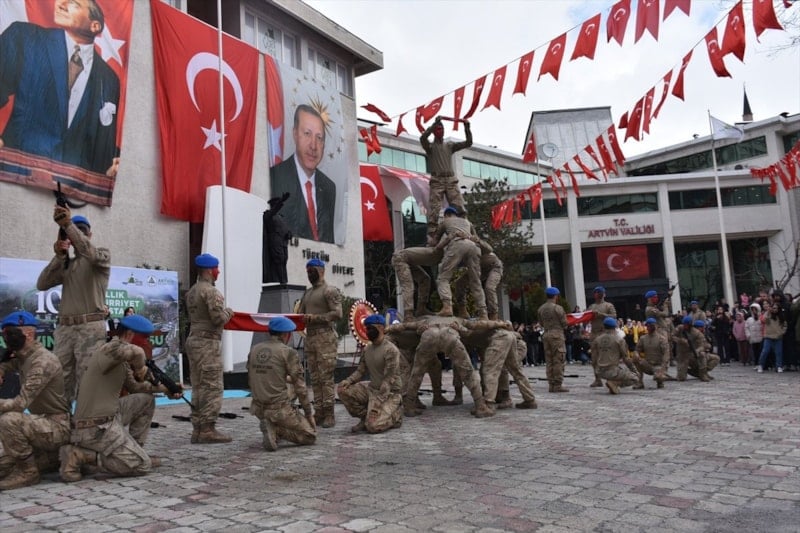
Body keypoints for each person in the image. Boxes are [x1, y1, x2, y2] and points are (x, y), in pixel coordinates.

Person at [0, 0, 120, 176]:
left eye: (74, 3)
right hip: (15, 171)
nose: (61, 4)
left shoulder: (109, 79)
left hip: (70, 185)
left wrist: (111, 168)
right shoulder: (25, 37)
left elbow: (102, 144)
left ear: (94, 26)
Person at [59, 314, 157, 482]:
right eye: (144, 339)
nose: (147, 343)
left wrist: (166, 389)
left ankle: (133, 450)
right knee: (142, 465)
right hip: (94, 426)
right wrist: (141, 368)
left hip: (109, 417)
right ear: (129, 334)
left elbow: (135, 387)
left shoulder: (120, 359)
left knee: (146, 400)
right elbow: (138, 352)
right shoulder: (111, 349)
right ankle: (81, 456)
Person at [37, 209, 110, 404]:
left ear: (90, 234)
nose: (79, 234)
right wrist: (59, 256)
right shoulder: (67, 264)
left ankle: (85, 422)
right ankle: (60, 420)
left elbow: (88, 251)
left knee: (88, 381)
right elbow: (42, 284)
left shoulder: (101, 256)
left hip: (89, 327)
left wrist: (68, 225)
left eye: (82, 230)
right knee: (59, 380)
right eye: (76, 230)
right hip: (65, 329)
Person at [0, 311, 71, 490]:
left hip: (56, 427)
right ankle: (49, 459)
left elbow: (20, 404)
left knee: (9, 420)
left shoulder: (43, 361)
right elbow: (9, 364)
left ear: (29, 334)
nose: (6, 338)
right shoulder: (24, 357)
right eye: (4, 334)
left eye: (9, 334)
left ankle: (28, 472)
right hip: (40, 427)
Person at [247, 316, 316, 451]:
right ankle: (276, 429)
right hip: (278, 409)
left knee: (290, 382)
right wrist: (308, 414)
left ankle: (272, 426)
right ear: (286, 335)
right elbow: (300, 387)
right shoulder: (288, 352)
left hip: (258, 407)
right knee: (309, 436)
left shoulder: (255, 349)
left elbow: (253, 377)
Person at [185, 253, 234, 443]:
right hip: (207, 343)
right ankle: (207, 429)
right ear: (210, 270)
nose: (218, 272)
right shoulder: (211, 292)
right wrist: (228, 312)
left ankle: (197, 428)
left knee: (198, 386)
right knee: (212, 386)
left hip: (193, 340)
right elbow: (217, 318)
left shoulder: (192, 292)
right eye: (216, 269)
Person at [269, 104, 335, 243]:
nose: (313, 145)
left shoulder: (329, 188)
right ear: (295, 134)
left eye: (319, 138)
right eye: (307, 134)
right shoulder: (275, 177)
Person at [338, 314, 403, 434]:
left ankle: (395, 417)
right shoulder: (367, 349)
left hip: (389, 393)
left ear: (381, 328)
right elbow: (360, 371)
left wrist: (376, 406)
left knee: (372, 427)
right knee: (343, 390)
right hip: (373, 390)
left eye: (371, 328)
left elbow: (388, 380)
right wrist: (348, 381)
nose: (368, 331)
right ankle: (365, 418)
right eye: (367, 328)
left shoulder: (391, 350)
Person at [298, 258, 342, 427]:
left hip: (325, 338)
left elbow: (337, 313)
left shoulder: (329, 291)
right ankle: (319, 412)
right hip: (310, 338)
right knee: (315, 378)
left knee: (326, 378)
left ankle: (329, 413)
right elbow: (300, 314)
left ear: (322, 271)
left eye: (313, 271)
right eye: (308, 272)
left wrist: (316, 318)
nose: (310, 275)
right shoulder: (307, 293)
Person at [420, 116, 472, 237]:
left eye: (442, 129)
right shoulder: (430, 147)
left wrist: (466, 127)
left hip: (450, 180)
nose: (440, 131)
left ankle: (465, 228)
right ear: (434, 131)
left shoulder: (449, 145)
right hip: (437, 180)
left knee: (458, 205)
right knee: (435, 208)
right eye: (438, 129)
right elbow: (423, 138)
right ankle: (432, 234)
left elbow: (468, 143)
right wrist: (433, 125)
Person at [433, 207, 486, 319]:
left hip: (457, 245)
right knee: (475, 281)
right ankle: (483, 313)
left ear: (447, 215)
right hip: (474, 247)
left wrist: (437, 247)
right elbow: (476, 238)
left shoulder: (445, 221)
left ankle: (447, 307)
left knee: (443, 277)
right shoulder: (468, 222)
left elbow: (435, 241)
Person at [454, 239, 503, 320]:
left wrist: (478, 240)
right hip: (478, 269)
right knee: (460, 283)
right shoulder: (457, 252)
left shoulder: (472, 244)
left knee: (489, 287)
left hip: (494, 267)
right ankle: (462, 309)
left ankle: (493, 313)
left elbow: (489, 249)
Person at [391, 246, 443, 320]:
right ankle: (408, 313)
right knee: (408, 285)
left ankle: (421, 308)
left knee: (425, 279)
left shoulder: (442, 254)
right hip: (400, 258)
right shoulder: (438, 252)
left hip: (408, 260)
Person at [591, 317, 639, 394]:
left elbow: (593, 359)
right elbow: (626, 359)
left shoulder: (597, 339)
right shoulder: (619, 340)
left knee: (616, 372)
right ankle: (615, 383)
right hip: (612, 370)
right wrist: (635, 371)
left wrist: (597, 375)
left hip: (600, 371)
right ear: (615, 327)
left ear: (604, 327)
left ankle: (612, 383)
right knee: (635, 378)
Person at [536, 287, 569, 393]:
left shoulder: (541, 309)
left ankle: (551, 384)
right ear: (556, 296)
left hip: (546, 334)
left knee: (549, 360)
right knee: (558, 359)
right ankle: (558, 384)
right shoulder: (558, 308)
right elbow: (564, 323)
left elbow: (541, 323)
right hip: (557, 335)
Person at [588, 286, 617, 388]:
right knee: (594, 358)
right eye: (597, 292)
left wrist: (601, 314)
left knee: (607, 356)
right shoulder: (591, 307)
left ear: (604, 294)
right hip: (594, 333)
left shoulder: (609, 305)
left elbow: (613, 316)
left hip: (605, 333)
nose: (599, 294)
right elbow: (587, 317)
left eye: (600, 292)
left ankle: (611, 378)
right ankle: (597, 379)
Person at [262, 193, 293, 284]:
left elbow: (286, 229)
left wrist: (289, 234)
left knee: (284, 260)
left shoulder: (281, 217)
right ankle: (281, 281)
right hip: (274, 242)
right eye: (277, 204)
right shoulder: (268, 214)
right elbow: (273, 211)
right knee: (279, 260)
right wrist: (281, 201)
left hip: (283, 243)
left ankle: (283, 281)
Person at [633, 318, 671, 389]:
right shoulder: (643, 338)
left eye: (651, 325)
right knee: (635, 359)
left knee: (658, 377)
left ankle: (660, 382)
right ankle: (639, 382)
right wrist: (636, 354)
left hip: (658, 365)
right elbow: (637, 350)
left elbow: (666, 355)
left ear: (655, 326)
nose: (649, 327)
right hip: (647, 364)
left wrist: (663, 369)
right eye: (648, 326)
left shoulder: (661, 339)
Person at [673, 316, 711, 382]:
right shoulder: (679, 328)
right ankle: (685, 370)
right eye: (684, 324)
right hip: (682, 355)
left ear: (690, 324)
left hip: (692, 353)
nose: (685, 326)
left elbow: (702, 345)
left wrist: (697, 351)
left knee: (702, 354)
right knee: (681, 378)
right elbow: (671, 336)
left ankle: (703, 374)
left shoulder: (696, 333)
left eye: (686, 325)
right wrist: (680, 340)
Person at [756, 302, 788, 373]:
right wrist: (768, 311)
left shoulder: (781, 316)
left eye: (776, 308)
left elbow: (785, 325)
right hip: (768, 336)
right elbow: (764, 320)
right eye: (773, 308)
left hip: (778, 337)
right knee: (765, 351)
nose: (774, 309)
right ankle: (761, 365)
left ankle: (779, 366)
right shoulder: (768, 314)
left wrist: (782, 332)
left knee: (778, 352)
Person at [745, 303, 763, 367]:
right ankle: (756, 363)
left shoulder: (761, 317)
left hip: (760, 337)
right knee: (755, 352)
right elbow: (746, 327)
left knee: (761, 351)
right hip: (753, 338)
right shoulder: (749, 319)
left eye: (755, 309)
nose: (754, 311)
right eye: (752, 310)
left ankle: (761, 363)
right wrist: (748, 335)